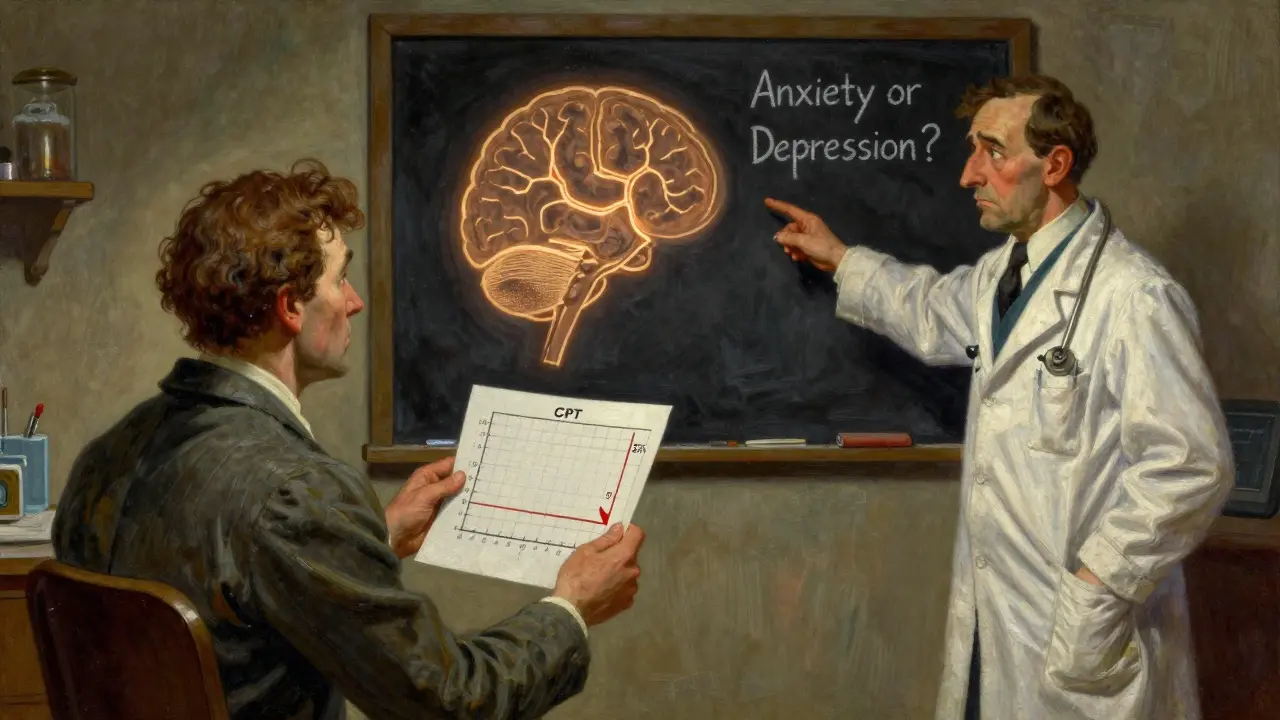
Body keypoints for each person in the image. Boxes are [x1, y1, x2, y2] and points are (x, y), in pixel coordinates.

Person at [52, 159, 645, 720]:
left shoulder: (108, 454)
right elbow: (448, 700)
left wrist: (374, 537)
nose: (356, 302)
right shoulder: (295, 492)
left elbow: (232, 594)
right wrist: (571, 609)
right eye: (341, 280)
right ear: (290, 307)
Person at [767, 75, 1233, 719]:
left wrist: (1096, 585)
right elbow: (927, 308)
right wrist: (841, 258)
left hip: (1082, 625)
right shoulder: (1001, 274)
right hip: (1000, 614)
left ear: (1055, 164)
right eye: (972, 149)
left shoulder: (1135, 297)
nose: (968, 174)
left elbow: (1191, 465)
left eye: (992, 151)